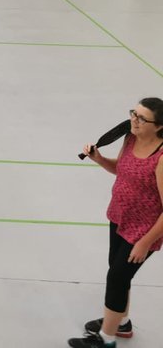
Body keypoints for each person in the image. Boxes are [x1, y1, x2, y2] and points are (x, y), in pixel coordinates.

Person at [68, 98, 163, 348]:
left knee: (117, 278)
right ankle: (121, 322)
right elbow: (121, 169)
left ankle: (106, 340)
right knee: (118, 273)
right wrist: (99, 158)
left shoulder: (162, 157)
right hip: (120, 216)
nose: (134, 120)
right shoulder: (130, 138)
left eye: (142, 118)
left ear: (159, 126)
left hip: (144, 230)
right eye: (134, 113)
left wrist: (145, 243)